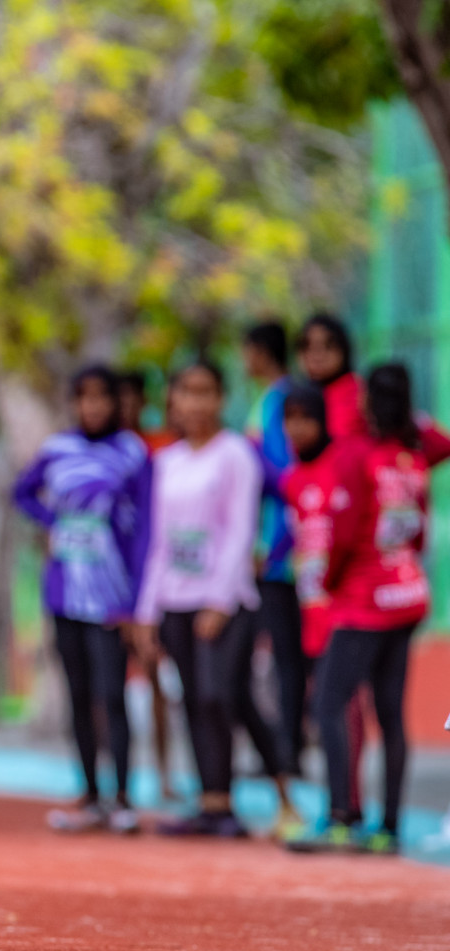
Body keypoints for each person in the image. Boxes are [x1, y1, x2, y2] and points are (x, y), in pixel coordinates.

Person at [133, 361, 289, 838]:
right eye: (186, 392)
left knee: (219, 694)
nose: (196, 403)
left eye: (206, 392)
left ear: (222, 399)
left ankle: (271, 787)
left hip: (226, 597)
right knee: (197, 699)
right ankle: (212, 801)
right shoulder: (167, 462)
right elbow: (157, 539)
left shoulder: (235, 455)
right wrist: (146, 610)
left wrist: (219, 601)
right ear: (173, 400)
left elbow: (241, 530)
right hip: (176, 597)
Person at [293, 365, 433, 855]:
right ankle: (389, 827)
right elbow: (419, 529)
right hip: (408, 593)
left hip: (364, 600)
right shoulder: (411, 457)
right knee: (390, 713)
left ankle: (340, 818)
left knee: (328, 704)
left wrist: (328, 583)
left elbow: (345, 530)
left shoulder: (357, 454)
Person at [14, 366, 150, 834]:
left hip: (111, 595)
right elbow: (22, 492)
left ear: (118, 403)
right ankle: (90, 794)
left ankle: (124, 797)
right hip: (63, 592)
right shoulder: (58, 449)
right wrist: (51, 522)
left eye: (102, 398)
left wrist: (135, 601)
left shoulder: (132, 453)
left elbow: (145, 528)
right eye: (83, 398)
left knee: (111, 693)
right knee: (77, 694)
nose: (92, 407)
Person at [242, 323, 307, 803]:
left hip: (280, 554)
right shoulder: (265, 398)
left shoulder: (279, 400)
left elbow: (285, 478)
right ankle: (285, 748)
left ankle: (288, 751)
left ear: (260, 352)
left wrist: (275, 548)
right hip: (272, 548)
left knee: (286, 656)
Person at [116, 369, 178, 801]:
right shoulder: (101, 453)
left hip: (154, 579)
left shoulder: (162, 450)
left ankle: (164, 774)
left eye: (127, 398)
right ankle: (113, 780)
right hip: (108, 582)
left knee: (156, 675)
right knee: (106, 684)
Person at [296, 313, 366, 440]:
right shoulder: (298, 397)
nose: (317, 356)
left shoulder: (361, 394)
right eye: (308, 347)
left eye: (327, 346)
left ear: (343, 349)